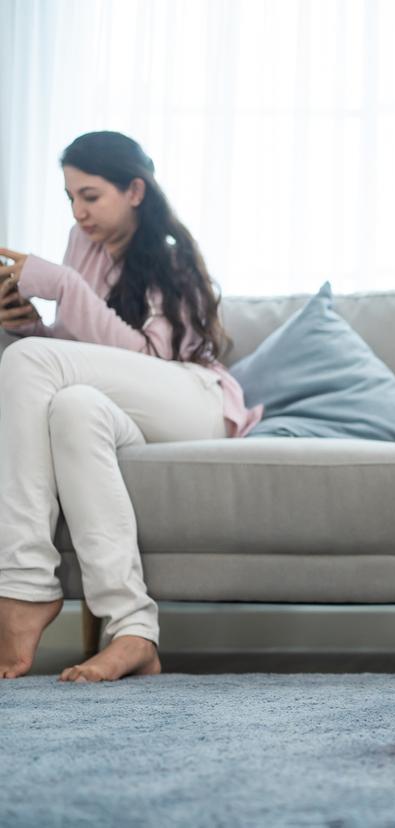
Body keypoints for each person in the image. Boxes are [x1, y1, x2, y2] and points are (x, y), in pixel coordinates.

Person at [0, 131, 262, 682]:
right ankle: (133, 630)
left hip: (192, 398)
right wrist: (28, 322)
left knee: (28, 363)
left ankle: (23, 584)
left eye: (91, 196)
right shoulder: (82, 245)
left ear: (135, 191)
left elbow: (148, 356)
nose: (79, 211)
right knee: (71, 407)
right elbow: (78, 350)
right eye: (70, 197)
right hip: (124, 406)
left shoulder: (173, 261)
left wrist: (63, 287)